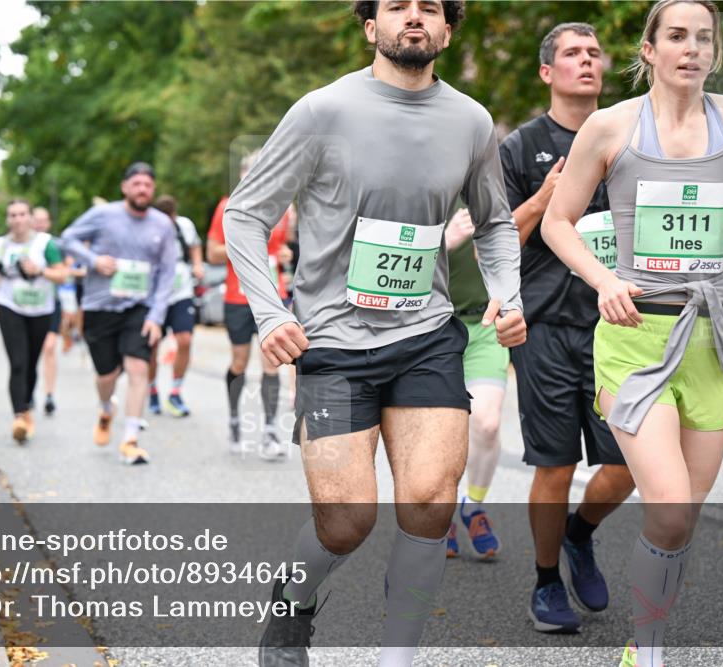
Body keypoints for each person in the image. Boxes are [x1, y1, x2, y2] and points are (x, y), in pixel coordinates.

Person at [223, 2, 526, 665]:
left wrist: (507, 294)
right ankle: (293, 605)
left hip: (425, 335)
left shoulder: (471, 121)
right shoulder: (321, 112)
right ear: (370, 27)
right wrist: (272, 311)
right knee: (347, 518)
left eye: (430, 8)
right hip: (332, 340)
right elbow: (245, 214)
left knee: (427, 502)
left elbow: (495, 221)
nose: (413, 17)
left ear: (448, 29)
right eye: (396, 6)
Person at [540, 2, 723, 664]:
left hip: (712, 339)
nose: (690, 49)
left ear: (715, 51)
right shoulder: (610, 127)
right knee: (665, 509)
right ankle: (647, 649)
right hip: (634, 336)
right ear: (650, 48)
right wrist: (603, 281)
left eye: (703, 38)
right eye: (676, 36)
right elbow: (557, 221)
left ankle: (644, 628)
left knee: (682, 517)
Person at [498, 22, 637, 634]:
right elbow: (497, 238)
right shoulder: (522, 146)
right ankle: (547, 578)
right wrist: (545, 199)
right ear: (547, 73)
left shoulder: (631, 138)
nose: (587, 61)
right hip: (548, 326)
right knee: (553, 465)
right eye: (572, 54)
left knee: (631, 461)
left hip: (623, 322)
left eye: (594, 53)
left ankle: (581, 533)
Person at [61, 162, 178, 465]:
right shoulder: (104, 215)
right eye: (136, 184)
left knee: (138, 368)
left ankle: (130, 439)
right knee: (107, 374)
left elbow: (167, 273)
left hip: (140, 307)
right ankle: (105, 408)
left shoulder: (163, 224)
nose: (142, 189)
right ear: (125, 187)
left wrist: (156, 315)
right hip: (100, 305)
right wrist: (94, 260)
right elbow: (68, 238)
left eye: (148, 185)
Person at [207, 152, 293, 459]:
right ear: (243, 175)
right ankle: (234, 420)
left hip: (273, 295)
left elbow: (286, 244)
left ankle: (270, 431)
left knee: (272, 362)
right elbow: (212, 254)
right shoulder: (227, 206)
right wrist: (242, 248)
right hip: (238, 296)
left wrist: (285, 255)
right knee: (240, 362)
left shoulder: (284, 207)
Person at [443, 207, 508, 560]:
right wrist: (446, 241)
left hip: (485, 325)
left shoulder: (497, 188)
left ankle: (471, 506)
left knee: (486, 423)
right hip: (436, 327)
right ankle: (443, 511)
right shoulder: (428, 179)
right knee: (443, 429)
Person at [0, 199, 67, 443]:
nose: (17, 220)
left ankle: (27, 404)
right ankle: (19, 416)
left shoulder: (45, 244)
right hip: (10, 307)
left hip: (41, 310)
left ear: (30, 217)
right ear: (7, 219)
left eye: (22, 214)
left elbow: (61, 274)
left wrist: (39, 271)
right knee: (17, 362)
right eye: (12, 215)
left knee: (31, 363)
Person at [148, 194, 204, 417]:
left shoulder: (184, 225)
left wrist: (198, 265)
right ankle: (152, 390)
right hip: (156, 295)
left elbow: (195, 247)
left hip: (181, 291)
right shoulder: (148, 227)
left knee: (185, 339)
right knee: (151, 345)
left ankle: (175, 391)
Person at [32, 206, 64, 415]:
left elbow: (65, 271)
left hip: (51, 302)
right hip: (26, 307)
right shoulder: (22, 244)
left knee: (50, 347)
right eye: (37, 220)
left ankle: (49, 395)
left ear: (49, 223)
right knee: (31, 352)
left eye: (44, 220)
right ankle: (28, 390)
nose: (41, 224)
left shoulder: (55, 245)